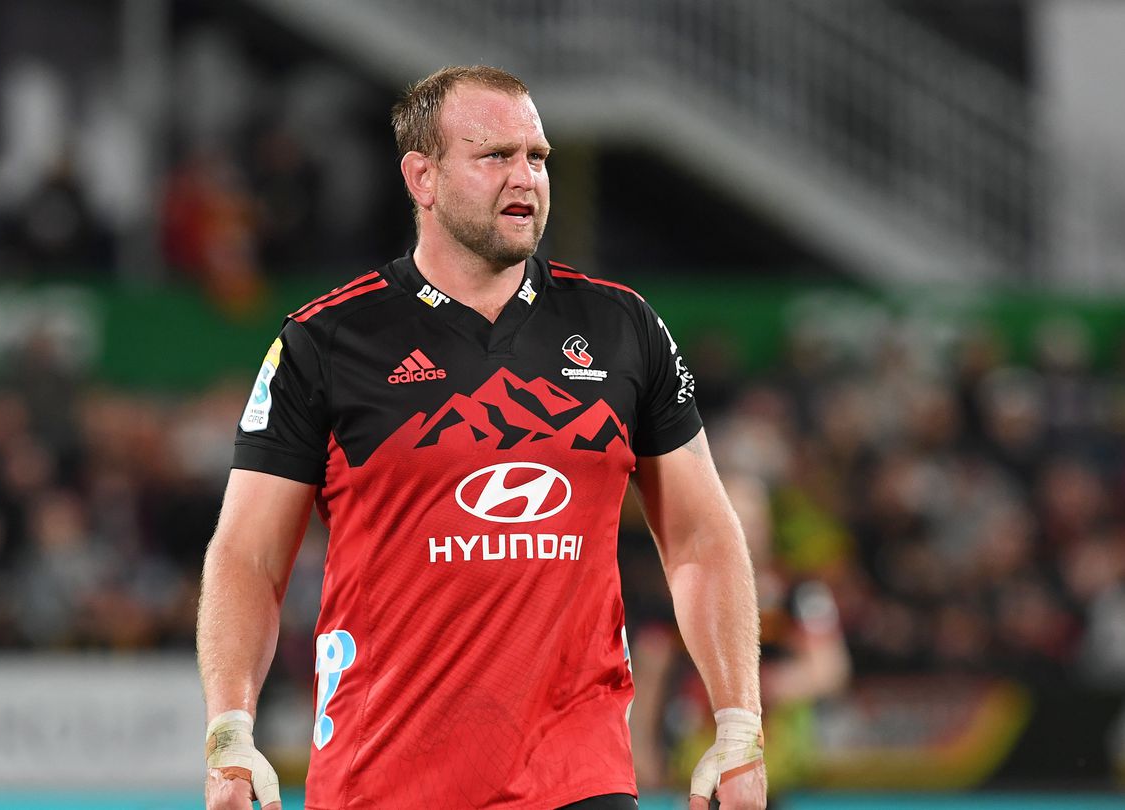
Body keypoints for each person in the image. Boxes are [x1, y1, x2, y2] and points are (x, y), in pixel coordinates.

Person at [198, 65, 765, 810]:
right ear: (422, 178)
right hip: (382, 779)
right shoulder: (326, 341)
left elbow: (700, 536)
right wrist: (230, 733)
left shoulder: (622, 327)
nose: (525, 177)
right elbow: (247, 555)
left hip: (579, 778)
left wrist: (738, 724)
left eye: (537, 156)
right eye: (495, 156)